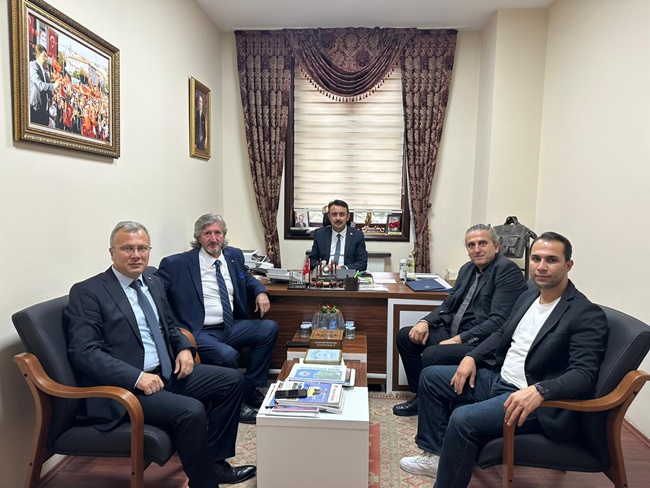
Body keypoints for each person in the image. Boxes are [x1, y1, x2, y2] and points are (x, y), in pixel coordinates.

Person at [399, 232, 608, 488]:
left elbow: (584, 374)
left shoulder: (585, 313)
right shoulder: (530, 295)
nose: (541, 267)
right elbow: (501, 332)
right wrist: (471, 357)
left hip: (531, 400)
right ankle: (435, 456)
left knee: (462, 419)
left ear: (568, 265)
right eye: (536, 259)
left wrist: (541, 390)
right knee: (431, 378)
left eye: (551, 260)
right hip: (499, 379)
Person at [65, 221, 256, 488]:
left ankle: (215, 464)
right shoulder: (89, 292)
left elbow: (169, 326)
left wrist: (184, 349)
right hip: (128, 389)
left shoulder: (152, 282)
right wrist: (137, 377)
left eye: (142, 248)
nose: (136, 255)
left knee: (233, 381)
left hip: (167, 374)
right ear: (111, 252)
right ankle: (205, 483)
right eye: (127, 248)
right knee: (192, 410)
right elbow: (85, 352)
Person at [157, 213, 279, 424]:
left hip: (229, 326)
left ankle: (249, 389)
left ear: (224, 235)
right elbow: (154, 292)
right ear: (198, 237)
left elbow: (246, 277)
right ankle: (234, 403)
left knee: (269, 328)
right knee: (227, 355)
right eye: (207, 234)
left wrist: (260, 291)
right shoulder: (176, 264)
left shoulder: (233, 255)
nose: (213, 239)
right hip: (199, 331)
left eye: (217, 233)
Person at [393, 223, 527, 416]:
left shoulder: (507, 271)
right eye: (471, 245)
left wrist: (459, 339)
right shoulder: (467, 269)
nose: (477, 249)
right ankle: (421, 395)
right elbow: (449, 304)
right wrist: (425, 322)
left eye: (482, 243)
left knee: (433, 354)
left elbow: (498, 322)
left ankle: (431, 399)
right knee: (406, 336)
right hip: (456, 330)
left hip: (481, 341)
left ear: (496, 246)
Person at [308, 199, 368, 270]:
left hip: (347, 274)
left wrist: (341, 268)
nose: (338, 218)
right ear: (329, 217)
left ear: (348, 217)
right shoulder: (320, 234)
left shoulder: (357, 235)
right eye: (334, 214)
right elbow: (311, 261)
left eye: (342, 214)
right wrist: (325, 268)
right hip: (325, 273)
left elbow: (362, 263)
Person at [29, 44, 61, 126]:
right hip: (35, 110)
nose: (46, 59)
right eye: (44, 56)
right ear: (38, 56)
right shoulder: (32, 66)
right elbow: (39, 85)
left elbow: (48, 92)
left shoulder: (45, 73)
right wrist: (53, 86)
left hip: (44, 113)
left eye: (47, 56)